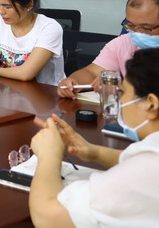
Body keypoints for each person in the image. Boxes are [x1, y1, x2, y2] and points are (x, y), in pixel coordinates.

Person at [29, 47, 159, 228]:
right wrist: (95, 152)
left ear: (150, 104)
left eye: (122, 93)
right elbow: (142, 159)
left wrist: (48, 155)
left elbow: (47, 217)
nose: (120, 101)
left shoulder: (144, 174)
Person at [58, 0, 159, 99]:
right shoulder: (123, 43)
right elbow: (91, 72)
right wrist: (73, 82)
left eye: (146, 28)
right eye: (131, 25)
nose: (137, 33)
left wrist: (123, 89)